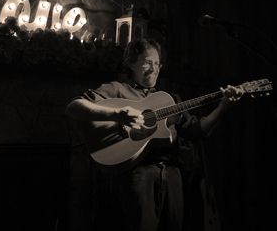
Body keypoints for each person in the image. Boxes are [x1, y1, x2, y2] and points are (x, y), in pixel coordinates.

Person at [65, 38, 244, 231]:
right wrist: (117, 114)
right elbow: (74, 106)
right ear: (131, 63)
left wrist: (223, 107)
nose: (154, 68)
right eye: (148, 62)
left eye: (158, 64)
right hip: (138, 174)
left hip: (173, 175)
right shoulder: (117, 89)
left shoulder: (168, 100)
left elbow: (198, 130)